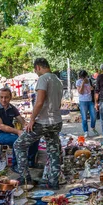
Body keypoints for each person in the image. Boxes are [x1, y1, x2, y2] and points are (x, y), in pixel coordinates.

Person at [14, 58, 63, 188]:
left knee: (19, 145)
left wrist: (32, 120)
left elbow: (39, 102)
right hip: (56, 121)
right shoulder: (57, 80)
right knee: (53, 150)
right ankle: (53, 182)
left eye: (36, 70)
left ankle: (25, 178)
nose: (36, 73)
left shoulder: (43, 79)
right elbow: (58, 103)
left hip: (43, 121)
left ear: (38, 67)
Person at [0, 87, 39, 172]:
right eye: (1, 97)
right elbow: (1, 126)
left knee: (34, 136)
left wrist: (29, 126)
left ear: (10, 97)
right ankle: (15, 165)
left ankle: (30, 161)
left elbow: (22, 121)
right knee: (18, 140)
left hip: (11, 133)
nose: (3, 100)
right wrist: (18, 131)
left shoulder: (12, 108)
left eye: (6, 97)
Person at [76, 70, 99, 137]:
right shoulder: (78, 82)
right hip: (83, 101)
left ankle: (93, 128)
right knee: (84, 118)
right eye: (81, 77)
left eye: (84, 77)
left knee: (94, 116)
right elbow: (80, 92)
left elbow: (93, 91)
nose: (83, 78)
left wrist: (95, 102)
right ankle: (86, 131)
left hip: (90, 101)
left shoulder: (90, 81)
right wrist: (83, 83)